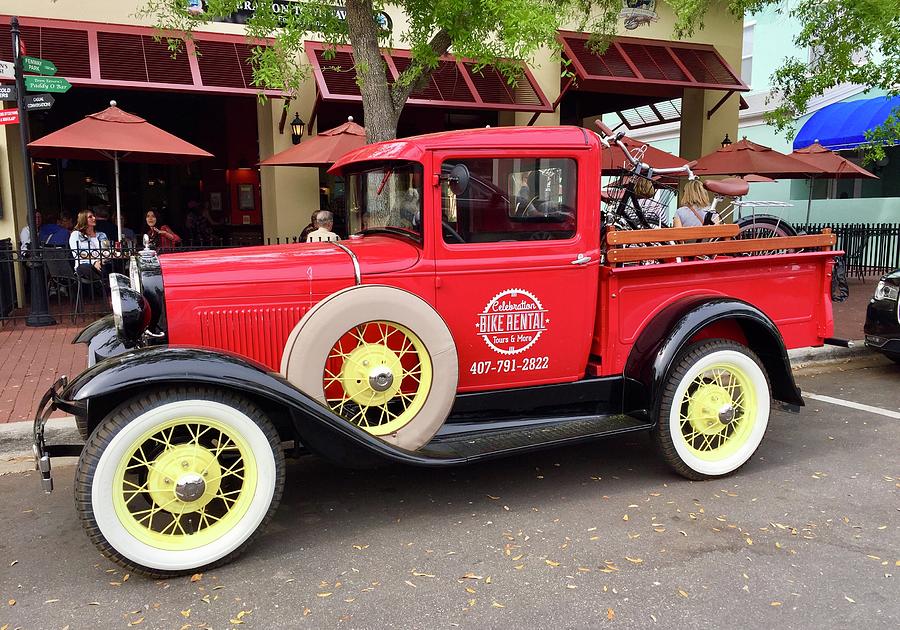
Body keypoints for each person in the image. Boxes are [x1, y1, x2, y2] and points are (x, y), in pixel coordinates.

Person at [69, 210, 108, 279]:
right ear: (83, 220)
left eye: (94, 216)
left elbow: (107, 251)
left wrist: (101, 260)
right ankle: (103, 285)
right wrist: (94, 262)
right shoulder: (76, 234)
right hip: (84, 264)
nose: (94, 218)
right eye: (90, 217)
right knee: (87, 268)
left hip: (102, 263)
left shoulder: (102, 235)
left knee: (110, 266)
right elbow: (77, 254)